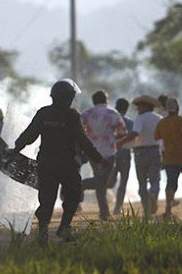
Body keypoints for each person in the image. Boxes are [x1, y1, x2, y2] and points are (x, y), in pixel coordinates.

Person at [13, 79, 111, 245]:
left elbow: (29, 135)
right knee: (74, 195)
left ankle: (43, 233)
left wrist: (15, 149)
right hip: (67, 165)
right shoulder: (72, 116)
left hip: (46, 164)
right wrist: (99, 158)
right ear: (69, 98)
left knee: (46, 199)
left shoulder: (43, 113)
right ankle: (64, 228)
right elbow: (82, 140)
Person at [80, 90, 127, 220]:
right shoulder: (113, 113)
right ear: (106, 100)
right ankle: (81, 184)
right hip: (108, 152)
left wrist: (88, 136)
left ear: (94, 101)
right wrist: (112, 136)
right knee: (102, 181)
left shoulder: (87, 113)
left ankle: (104, 213)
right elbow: (123, 132)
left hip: (92, 152)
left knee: (100, 182)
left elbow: (78, 129)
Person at [118, 95, 163, 217]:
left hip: (140, 153)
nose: (138, 109)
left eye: (140, 106)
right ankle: (153, 194)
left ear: (147, 106)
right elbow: (163, 138)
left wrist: (121, 142)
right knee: (155, 180)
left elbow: (135, 133)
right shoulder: (159, 119)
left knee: (142, 183)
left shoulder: (140, 118)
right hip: (155, 151)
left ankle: (147, 210)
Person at [154, 97, 182, 216]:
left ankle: (168, 209)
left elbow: (157, 137)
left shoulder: (162, 123)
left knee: (171, 184)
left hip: (169, 159)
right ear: (178, 108)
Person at [108, 98, 134, 215]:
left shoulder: (110, 120)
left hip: (111, 153)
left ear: (116, 106)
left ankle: (104, 202)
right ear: (126, 108)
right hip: (125, 153)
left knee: (109, 180)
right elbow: (134, 137)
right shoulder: (129, 122)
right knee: (123, 181)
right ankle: (117, 207)